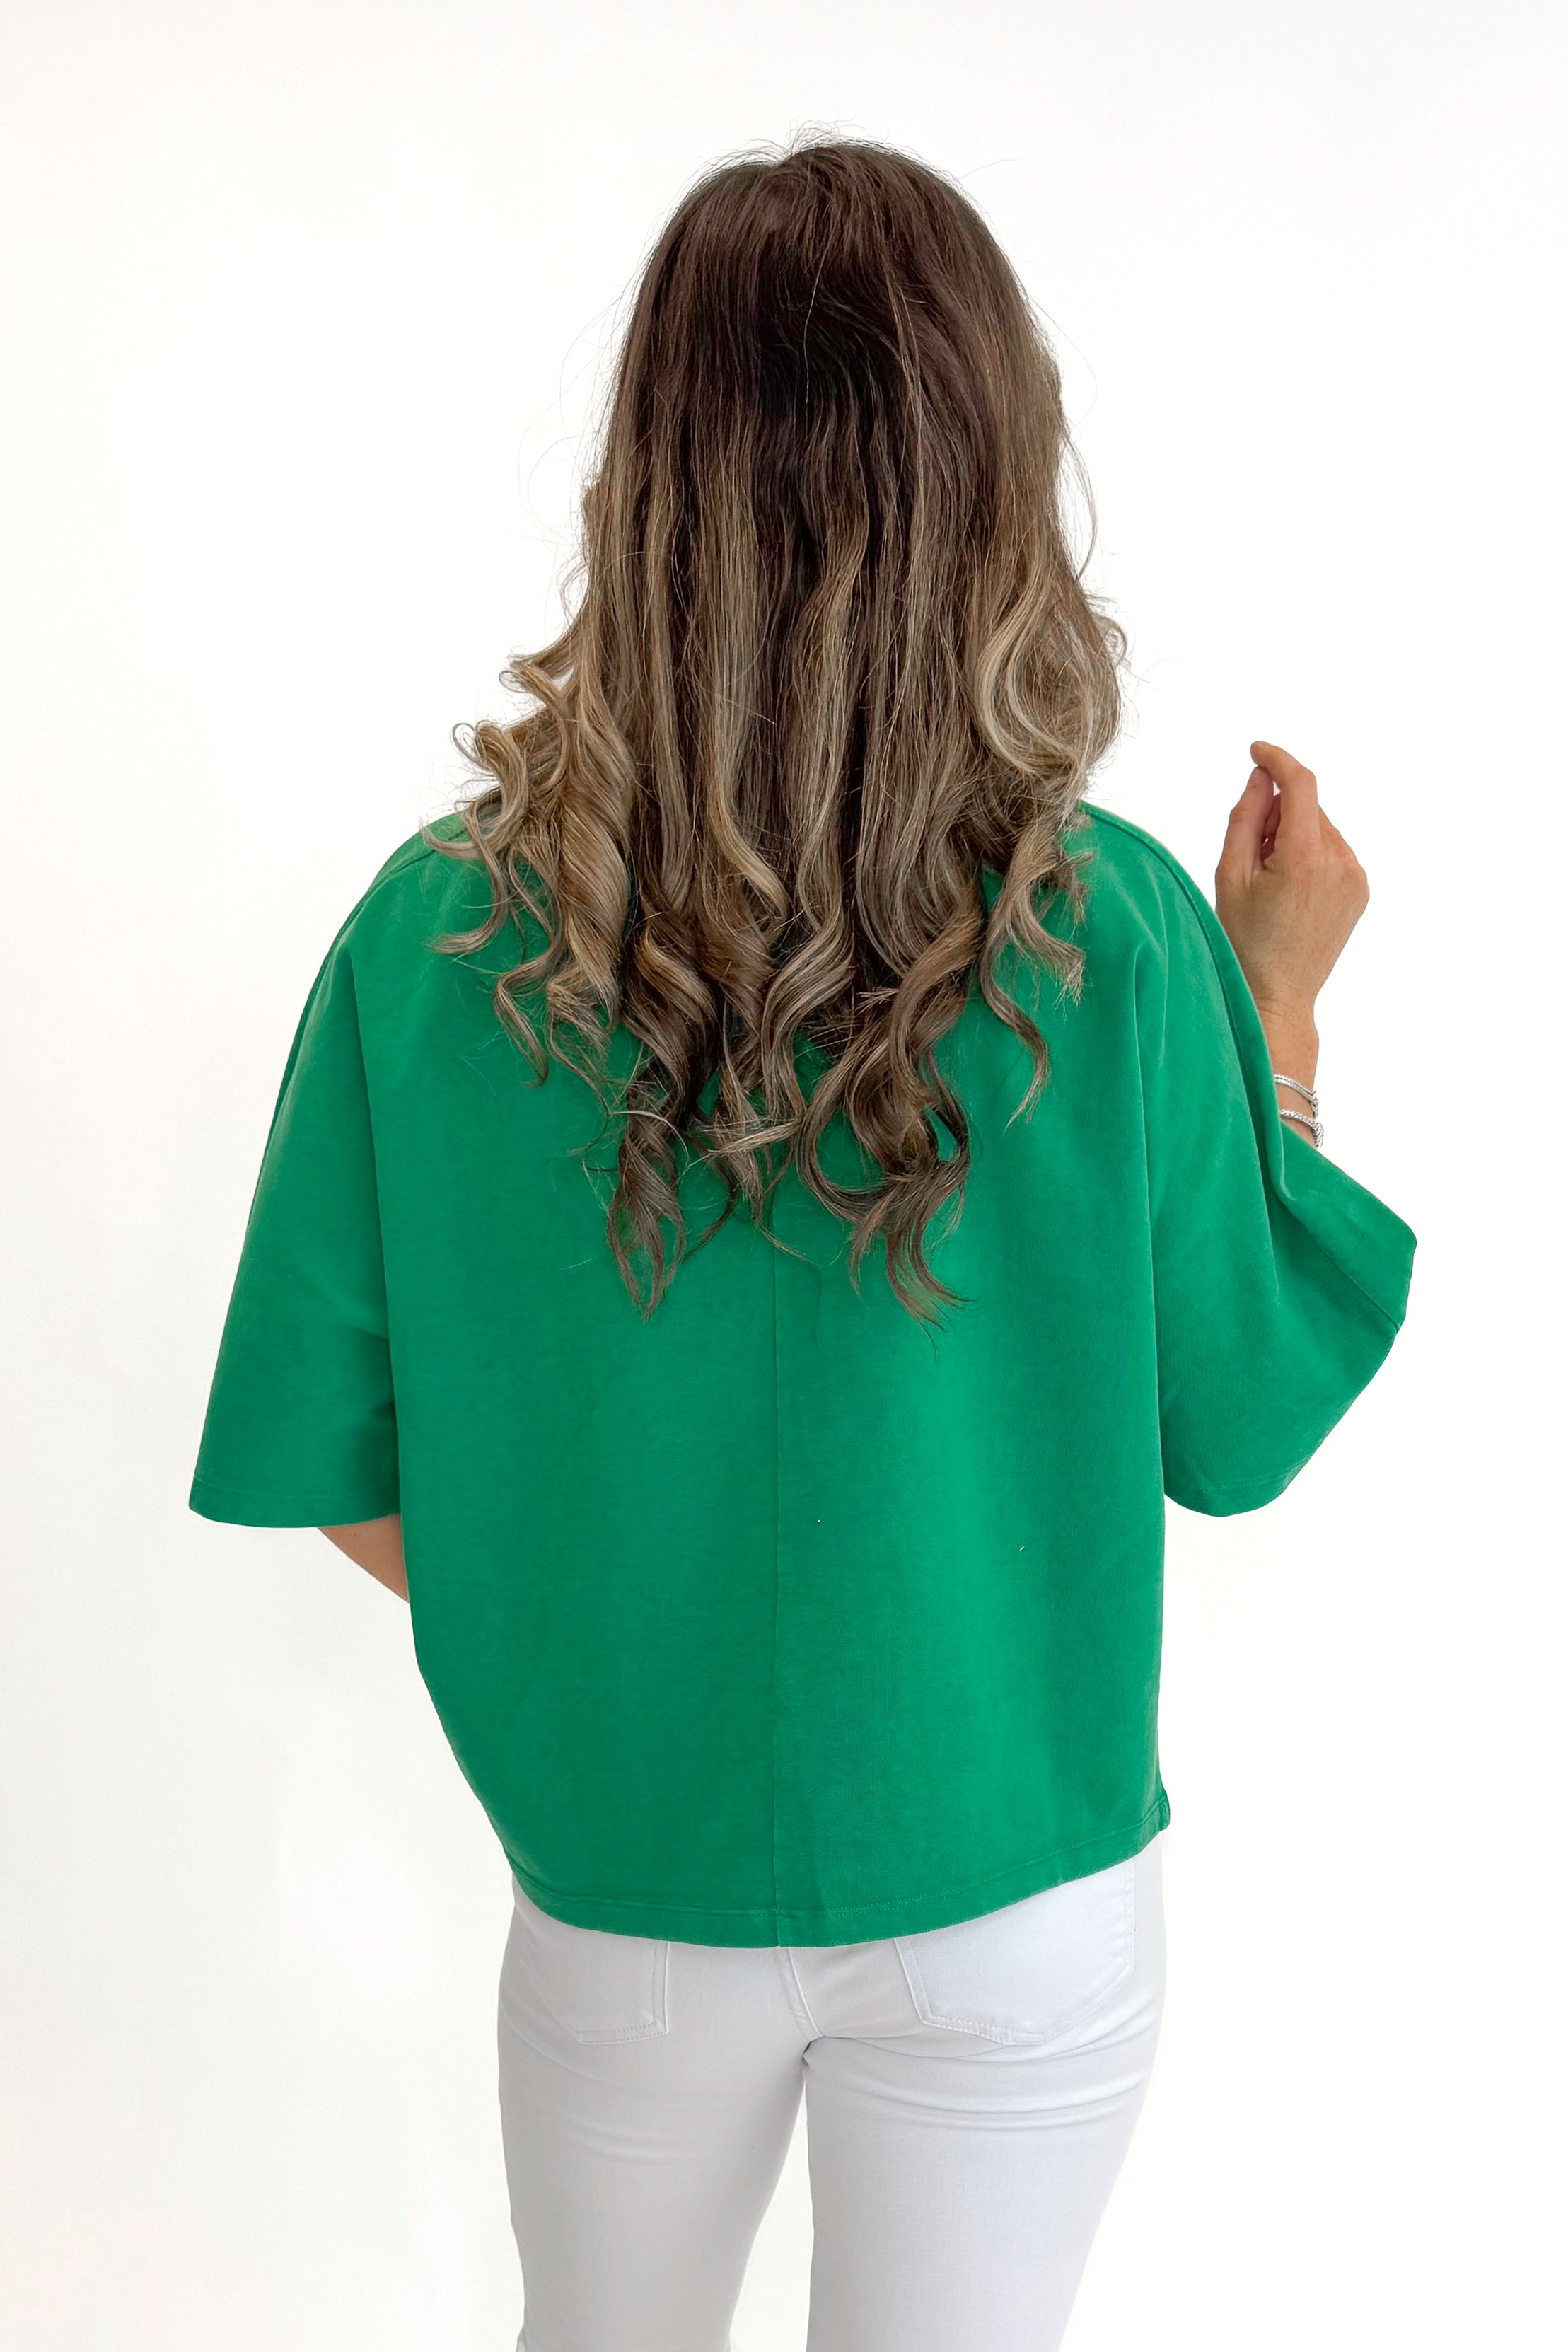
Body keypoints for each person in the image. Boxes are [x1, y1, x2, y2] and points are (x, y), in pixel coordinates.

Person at [189, 135, 1415, 2352]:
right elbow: (1229, 1427)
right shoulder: (1122, 931)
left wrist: (615, 1649)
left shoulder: (434, 936)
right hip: (1017, 1895)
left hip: (624, 1893)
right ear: (990, 483)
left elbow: (340, 1461)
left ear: (646, 482)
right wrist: (1278, 1008)